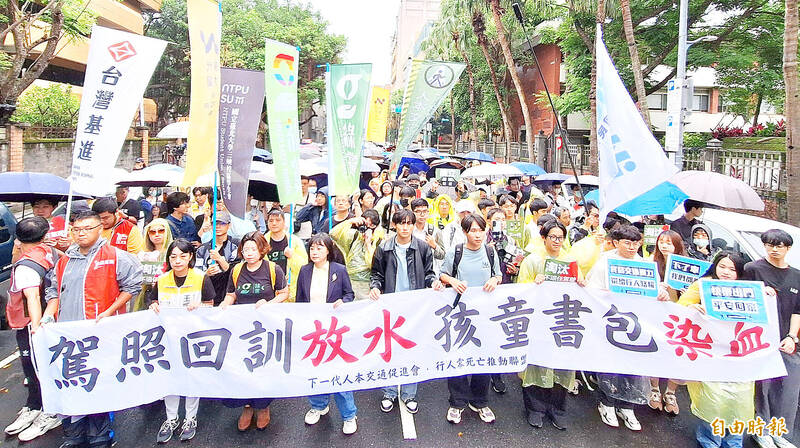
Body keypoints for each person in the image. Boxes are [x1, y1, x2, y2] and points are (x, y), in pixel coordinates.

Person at [42, 210, 142, 448]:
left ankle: (100, 435)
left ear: (99, 229)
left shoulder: (116, 257)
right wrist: (48, 316)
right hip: (69, 338)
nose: (81, 233)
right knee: (71, 383)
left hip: (101, 336)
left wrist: (109, 311)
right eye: (76, 229)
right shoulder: (64, 260)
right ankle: (73, 434)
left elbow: (133, 285)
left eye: (87, 228)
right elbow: (54, 291)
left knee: (98, 383)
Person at [585, 224, 666, 431]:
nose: (631, 247)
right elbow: (592, 292)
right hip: (612, 322)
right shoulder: (605, 263)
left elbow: (654, 292)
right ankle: (607, 403)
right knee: (610, 367)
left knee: (633, 368)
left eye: (635, 243)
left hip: (637, 325)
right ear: (616, 243)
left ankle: (627, 406)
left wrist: (661, 294)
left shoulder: (645, 266)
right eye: (627, 243)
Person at [677, 251, 753, 448]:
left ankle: (733, 441)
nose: (726, 272)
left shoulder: (749, 290)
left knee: (740, 399)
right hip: (710, 351)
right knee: (713, 399)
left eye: (732, 269)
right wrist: (692, 309)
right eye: (722, 266)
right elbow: (680, 306)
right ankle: (710, 440)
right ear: (714, 266)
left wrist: (767, 294)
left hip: (739, 353)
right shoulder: (702, 285)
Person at [370, 209, 442, 414]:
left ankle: (409, 393)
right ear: (394, 225)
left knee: (412, 348)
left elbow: (429, 273)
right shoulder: (384, 248)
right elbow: (376, 274)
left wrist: (434, 282)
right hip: (391, 306)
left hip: (414, 307)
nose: (405, 227)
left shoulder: (421, 247)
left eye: (409, 223)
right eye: (401, 223)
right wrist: (375, 286)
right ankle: (389, 392)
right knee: (389, 349)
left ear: (413, 225)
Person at [517, 220, 585, 431]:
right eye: (553, 237)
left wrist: (582, 283)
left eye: (560, 237)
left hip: (564, 320)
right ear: (544, 238)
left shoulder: (570, 261)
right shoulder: (533, 261)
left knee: (561, 366)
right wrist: (534, 283)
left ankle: (557, 410)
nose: (557, 241)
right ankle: (535, 409)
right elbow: (521, 289)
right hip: (539, 320)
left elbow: (581, 286)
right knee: (537, 364)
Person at [147, 239, 215, 443]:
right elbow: (153, 301)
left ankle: (190, 418)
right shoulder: (162, 280)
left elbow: (211, 304)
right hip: (168, 337)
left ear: (190, 257)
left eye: (183, 256)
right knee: (170, 377)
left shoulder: (200, 278)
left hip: (192, 338)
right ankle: (171, 418)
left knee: (191, 377)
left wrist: (200, 307)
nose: (178, 261)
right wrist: (153, 306)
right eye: (173, 256)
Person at [220, 231, 288, 431]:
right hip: (242, 328)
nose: (248, 253)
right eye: (245, 249)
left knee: (263, 366)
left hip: (265, 328)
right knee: (244, 367)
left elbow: (284, 293)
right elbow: (231, 294)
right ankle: (247, 406)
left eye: (253, 249)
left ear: (262, 249)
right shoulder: (237, 270)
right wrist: (225, 303)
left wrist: (268, 303)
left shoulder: (273, 269)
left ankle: (263, 406)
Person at [439, 213, 501, 425]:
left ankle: (480, 401)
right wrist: (453, 281)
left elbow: (498, 275)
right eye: (473, 230)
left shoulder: (491, 251)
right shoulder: (455, 252)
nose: (478, 234)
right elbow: (443, 274)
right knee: (457, 357)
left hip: (485, 315)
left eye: (481, 230)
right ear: (465, 232)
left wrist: (495, 279)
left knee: (483, 358)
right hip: (459, 314)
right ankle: (457, 403)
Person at [4, 217, 61, 442]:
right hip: (50, 317)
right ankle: (34, 405)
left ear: (18, 238)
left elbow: (32, 299)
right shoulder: (49, 252)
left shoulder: (26, 267)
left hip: (31, 323)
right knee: (38, 367)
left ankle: (50, 411)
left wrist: (35, 328)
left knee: (36, 367)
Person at [295, 234, 359, 435]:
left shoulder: (339, 270)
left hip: (335, 330)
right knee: (316, 370)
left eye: (319, 248)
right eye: (312, 248)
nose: (315, 252)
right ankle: (318, 405)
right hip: (314, 331)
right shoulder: (305, 271)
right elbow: (300, 300)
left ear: (329, 251)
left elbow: (349, 294)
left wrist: (344, 302)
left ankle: (349, 415)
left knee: (338, 372)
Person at [743, 229, 800, 448]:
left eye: (779, 246)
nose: (774, 249)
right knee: (763, 387)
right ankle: (761, 430)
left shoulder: (796, 275)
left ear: (788, 248)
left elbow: (798, 310)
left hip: (787, 340)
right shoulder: (752, 269)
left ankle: (780, 433)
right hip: (760, 338)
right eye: (769, 245)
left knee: (788, 388)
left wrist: (792, 337)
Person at [648, 229, 687, 414]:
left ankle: (671, 392)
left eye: (669, 243)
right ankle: (654, 389)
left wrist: (683, 290)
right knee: (655, 351)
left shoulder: (687, 267)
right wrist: (658, 286)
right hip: (656, 315)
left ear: (677, 246)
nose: (664, 245)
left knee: (677, 355)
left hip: (680, 318)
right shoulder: (650, 262)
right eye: (661, 241)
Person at [330, 209, 385, 299]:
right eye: (365, 225)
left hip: (368, 284)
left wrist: (368, 244)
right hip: (350, 281)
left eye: (371, 226)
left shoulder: (379, 241)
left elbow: (373, 264)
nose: (367, 228)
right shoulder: (354, 236)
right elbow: (333, 234)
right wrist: (349, 222)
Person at [196, 211, 239, 305]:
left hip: (230, 296)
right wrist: (206, 274)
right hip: (208, 296)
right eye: (215, 223)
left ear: (229, 225)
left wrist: (220, 259)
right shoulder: (202, 249)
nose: (218, 226)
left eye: (222, 223)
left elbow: (237, 271)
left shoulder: (236, 245)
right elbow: (196, 273)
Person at [264, 208, 308, 301]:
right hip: (269, 288)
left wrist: (292, 256)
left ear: (284, 223)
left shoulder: (295, 241)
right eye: (271, 221)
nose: (274, 223)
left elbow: (304, 266)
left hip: (291, 288)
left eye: (278, 220)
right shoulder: (263, 242)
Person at [133, 218, 174, 311]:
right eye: (152, 232)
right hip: (146, 294)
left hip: (169, 294)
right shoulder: (142, 254)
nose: (157, 234)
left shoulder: (174, 253)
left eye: (161, 231)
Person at [294, 176, 315, 242]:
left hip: (307, 231)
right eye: (300, 184)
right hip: (294, 230)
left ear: (308, 184)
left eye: (305, 184)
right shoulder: (293, 197)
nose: (302, 186)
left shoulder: (313, 198)